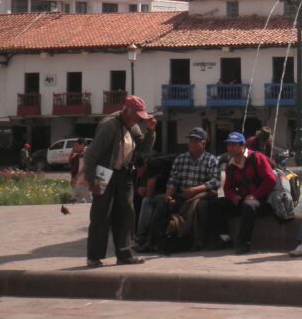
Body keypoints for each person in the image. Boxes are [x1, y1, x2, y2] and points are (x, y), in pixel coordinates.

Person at [82, 94, 157, 268]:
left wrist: (151, 131)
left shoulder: (133, 126)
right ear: (127, 111)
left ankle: (125, 254)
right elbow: (91, 155)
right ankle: (94, 257)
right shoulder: (109, 126)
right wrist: (92, 180)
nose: (139, 119)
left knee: (126, 214)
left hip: (124, 174)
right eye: (137, 115)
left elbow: (144, 149)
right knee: (101, 215)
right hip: (103, 173)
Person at [147, 128, 222, 253]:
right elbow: (173, 180)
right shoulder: (181, 159)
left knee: (201, 206)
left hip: (200, 195)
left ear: (203, 144)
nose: (192, 143)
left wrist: (195, 190)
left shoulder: (211, 160)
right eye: (191, 140)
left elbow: (215, 181)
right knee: (160, 202)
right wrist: (169, 195)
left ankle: (201, 239)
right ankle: (151, 240)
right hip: (181, 195)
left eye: (196, 141)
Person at [209, 131, 275, 254]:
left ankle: (244, 243)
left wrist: (255, 195)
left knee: (248, 206)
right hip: (244, 199)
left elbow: (270, 179)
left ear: (242, 146)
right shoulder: (230, 164)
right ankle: (224, 238)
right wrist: (233, 196)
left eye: (234, 145)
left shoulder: (256, 158)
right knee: (215, 204)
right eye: (229, 145)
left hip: (263, 200)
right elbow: (227, 187)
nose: (230, 148)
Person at [69, 138, 90, 203]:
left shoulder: (86, 153)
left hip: (86, 182)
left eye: (77, 145)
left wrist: (76, 177)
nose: (75, 147)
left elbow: (85, 167)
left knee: (90, 201)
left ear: (82, 145)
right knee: (74, 201)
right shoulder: (80, 154)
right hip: (80, 182)